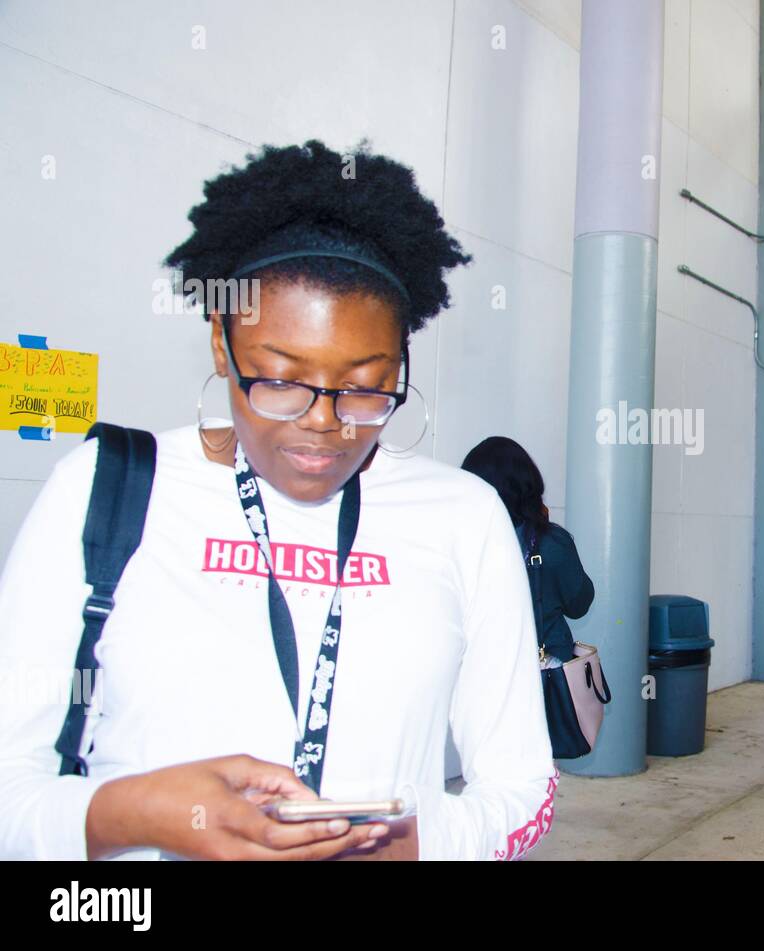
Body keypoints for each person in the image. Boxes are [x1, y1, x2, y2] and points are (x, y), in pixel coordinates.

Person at [0, 141, 557, 860]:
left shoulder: (464, 517)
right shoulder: (107, 487)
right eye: (279, 378)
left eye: (365, 384)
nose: (323, 421)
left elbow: (525, 791)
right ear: (222, 344)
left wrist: (414, 841)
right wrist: (141, 813)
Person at [461, 437, 594, 662]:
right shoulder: (551, 543)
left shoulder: (460, 542)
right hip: (542, 677)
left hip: (477, 670)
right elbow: (579, 604)